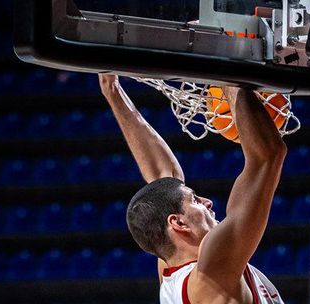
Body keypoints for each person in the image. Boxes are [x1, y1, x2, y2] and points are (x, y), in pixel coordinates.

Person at [99, 74, 287, 304]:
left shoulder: (171, 266)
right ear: (178, 223)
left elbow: (163, 177)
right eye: (195, 200)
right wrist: (230, 81)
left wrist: (113, 90)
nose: (207, 202)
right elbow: (267, 156)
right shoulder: (212, 270)